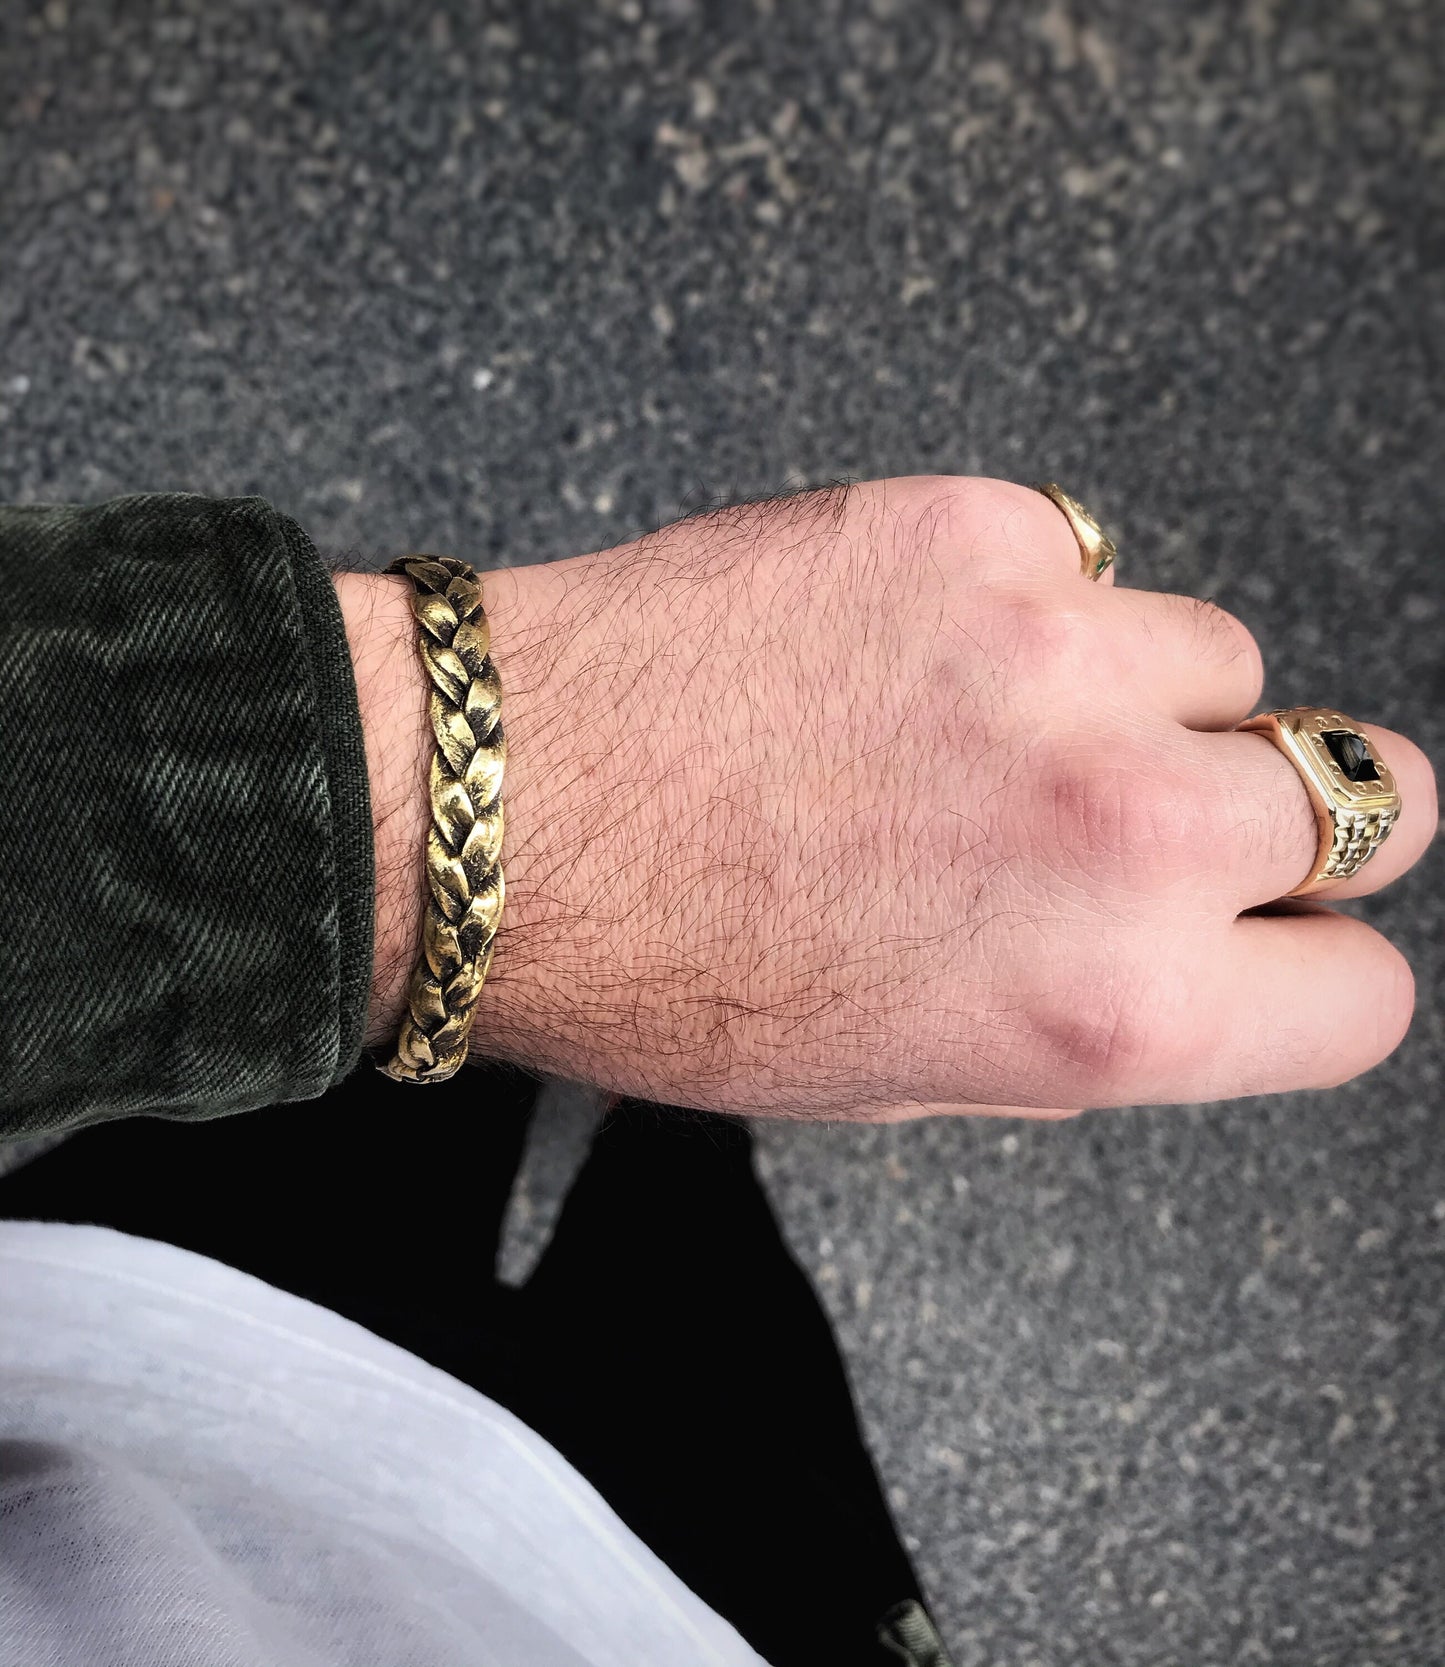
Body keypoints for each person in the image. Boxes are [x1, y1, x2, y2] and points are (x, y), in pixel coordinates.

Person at [0, 479, 1435, 1666]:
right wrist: (434, 780)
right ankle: (680, 1096)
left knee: (500, 1095)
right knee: (684, 1213)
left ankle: (674, 1073)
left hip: (92, 1303)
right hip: (689, 1598)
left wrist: (362, 783)